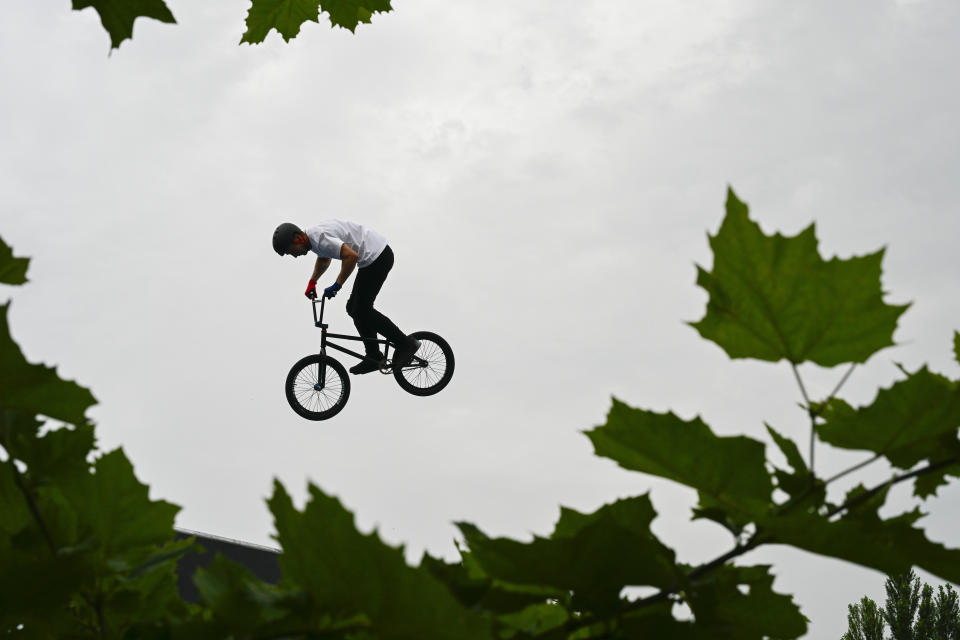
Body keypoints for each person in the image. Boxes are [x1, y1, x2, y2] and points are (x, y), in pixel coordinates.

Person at [272, 220, 420, 375]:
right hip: (372, 259)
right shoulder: (313, 240)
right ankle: (374, 355)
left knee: (362, 309)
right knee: (353, 308)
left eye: (291, 251)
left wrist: (337, 284)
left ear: (298, 239)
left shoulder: (319, 237)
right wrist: (312, 282)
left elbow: (351, 256)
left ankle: (404, 344)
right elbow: (324, 258)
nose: (294, 256)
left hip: (378, 256)